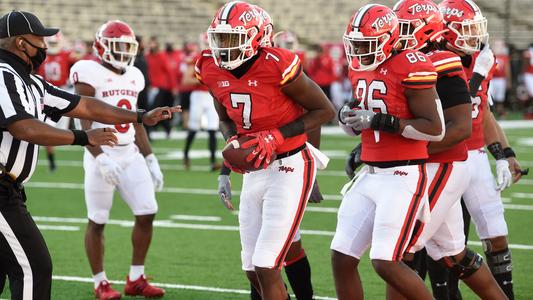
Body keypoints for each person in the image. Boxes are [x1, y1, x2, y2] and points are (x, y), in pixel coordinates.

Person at [0, 10, 179, 300]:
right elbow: (25, 128)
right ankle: (101, 281)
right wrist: (84, 138)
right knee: (35, 267)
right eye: (40, 39)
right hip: (2, 191)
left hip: (12, 189)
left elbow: (85, 106)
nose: (46, 45)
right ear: (21, 43)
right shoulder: (3, 74)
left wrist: (139, 116)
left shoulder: (30, 81)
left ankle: (136, 277)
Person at [197, 2, 335, 299]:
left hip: (289, 164)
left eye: (233, 38)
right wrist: (230, 152)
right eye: (220, 38)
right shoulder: (208, 66)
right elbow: (225, 120)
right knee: (251, 266)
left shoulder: (276, 63)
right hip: (254, 170)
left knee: (266, 263)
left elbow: (324, 110)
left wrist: (276, 136)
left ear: (257, 37)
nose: (224, 46)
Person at [384, 1, 508, 299]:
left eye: (403, 28)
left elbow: (465, 120)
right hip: (429, 160)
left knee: (399, 250)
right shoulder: (407, 59)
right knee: (452, 251)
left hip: (445, 160)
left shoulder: (443, 60)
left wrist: (503, 154)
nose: (396, 35)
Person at [331, 4, 445, 299]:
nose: (358, 52)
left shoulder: (411, 63)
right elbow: (361, 123)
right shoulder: (359, 67)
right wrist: (348, 118)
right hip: (370, 172)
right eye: (354, 44)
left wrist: (382, 120)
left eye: (366, 44)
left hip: (402, 174)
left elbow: (435, 129)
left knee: (385, 261)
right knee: (342, 257)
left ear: (389, 39)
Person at [432, 1, 523, 298]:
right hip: (442, 159)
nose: (474, 36)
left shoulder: (482, 56)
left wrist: (503, 153)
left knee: (496, 234)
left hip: (475, 157)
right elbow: (454, 107)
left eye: (476, 29)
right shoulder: (433, 59)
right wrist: (478, 77)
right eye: (466, 29)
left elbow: (482, 111)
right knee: (439, 242)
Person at [70, 20, 166, 300]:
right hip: (102, 152)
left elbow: (136, 119)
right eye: (118, 46)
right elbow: (83, 117)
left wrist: (149, 157)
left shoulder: (135, 75)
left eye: (127, 46)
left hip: (129, 152)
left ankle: (136, 278)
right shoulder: (87, 71)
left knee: (147, 211)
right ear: (101, 46)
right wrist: (99, 157)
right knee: (98, 219)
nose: (123, 52)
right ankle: (99, 281)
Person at [182, 33, 221, 171]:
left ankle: (212, 161)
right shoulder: (195, 58)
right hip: (198, 95)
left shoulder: (218, 58)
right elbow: (186, 80)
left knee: (212, 128)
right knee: (194, 127)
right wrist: (204, 79)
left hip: (211, 96)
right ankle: (185, 154)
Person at [37, 32, 74, 171]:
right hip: (47, 93)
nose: (52, 46)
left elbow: (80, 58)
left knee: (59, 129)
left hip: (63, 91)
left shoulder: (66, 55)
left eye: (54, 43)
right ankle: (51, 160)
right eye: (50, 44)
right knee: (47, 127)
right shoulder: (43, 55)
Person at [146, 36, 177, 137]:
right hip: (150, 87)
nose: (152, 45)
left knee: (154, 108)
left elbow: (169, 72)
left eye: (153, 43)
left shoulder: (161, 56)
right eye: (151, 43)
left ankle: (163, 127)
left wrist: (173, 87)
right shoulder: (147, 57)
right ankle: (163, 127)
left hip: (160, 87)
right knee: (151, 108)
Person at [489, 39, 511, 118]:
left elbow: (507, 70)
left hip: (501, 79)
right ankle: (490, 114)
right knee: (490, 96)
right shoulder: (490, 55)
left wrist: (508, 81)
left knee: (500, 98)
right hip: (491, 79)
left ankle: (500, 113)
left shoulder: (504, 57)